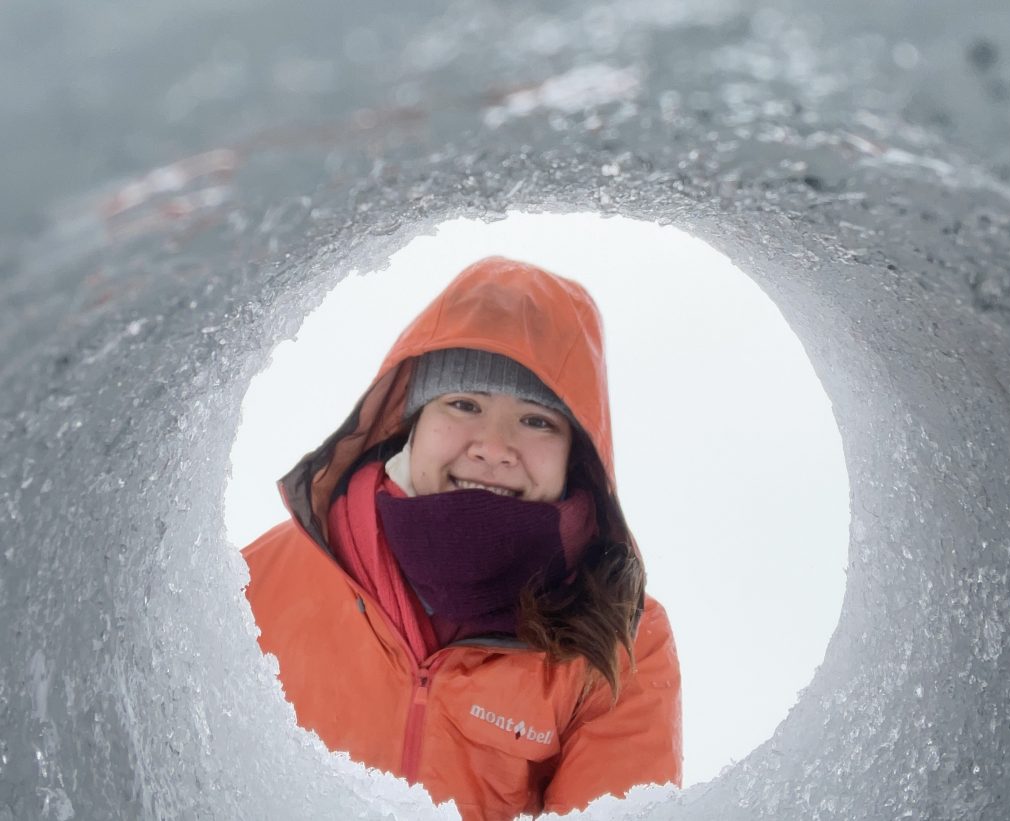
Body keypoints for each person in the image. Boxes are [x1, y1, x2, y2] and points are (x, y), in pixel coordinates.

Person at [242, 256, 683, 820]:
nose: (493, 446)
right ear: (413, 423)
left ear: (578, 454)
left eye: (537, 421)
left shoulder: (626, 641)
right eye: (465, 404)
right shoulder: (262, 578)